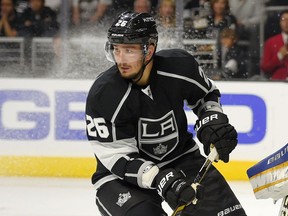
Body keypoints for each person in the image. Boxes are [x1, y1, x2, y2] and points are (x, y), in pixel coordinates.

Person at [85, 11, 247, 216]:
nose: (121, 59)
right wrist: (157, 177)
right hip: (122, 178)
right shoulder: (103, 94)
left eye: (129, 50)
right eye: (116, 50)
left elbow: (206, 95)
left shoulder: (179, 67)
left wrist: (211, 119)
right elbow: (115, 155)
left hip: (182, 160)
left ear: (150, 49)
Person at [260, 10, 288, 80]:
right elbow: (265, 68)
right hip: (278, 83)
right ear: (280, 22)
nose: (286, 22)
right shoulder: (271, 42)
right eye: (283, 19)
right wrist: (279, 56)